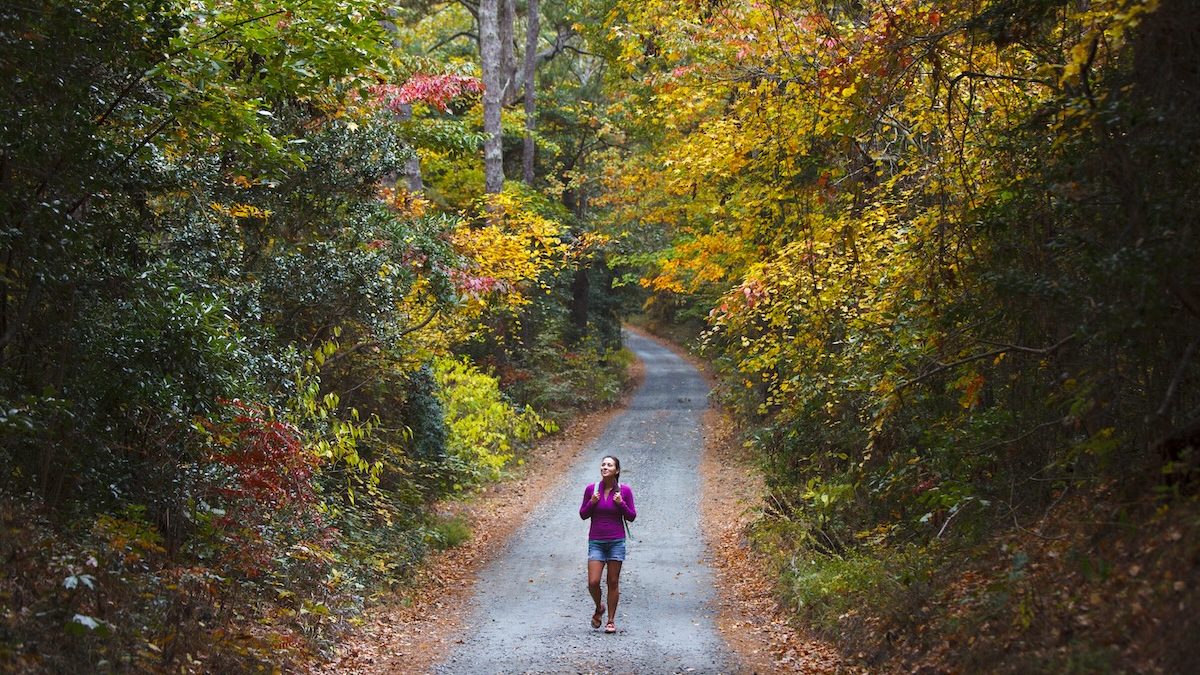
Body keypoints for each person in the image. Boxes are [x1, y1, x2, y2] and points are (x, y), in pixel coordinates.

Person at [579, 455, 636, 634]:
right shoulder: (591, 489)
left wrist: (621, 504)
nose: (605, 467)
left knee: (613, 581)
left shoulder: (624, 491)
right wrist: (592, 502)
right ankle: (599, 607)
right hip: (596, 541)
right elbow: (583, 514)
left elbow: (631, 516)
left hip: (616, 541)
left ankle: (610, 621)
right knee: (593, 582)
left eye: (609, 465)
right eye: (603, 464)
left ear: (616, 470)